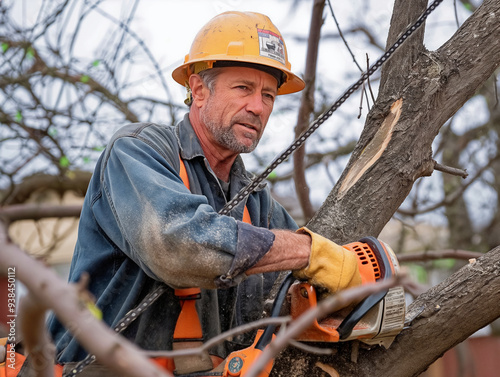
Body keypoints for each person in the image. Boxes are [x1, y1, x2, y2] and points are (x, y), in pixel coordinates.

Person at [47, 11, 362, 375]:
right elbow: (178, 246)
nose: (258, 107)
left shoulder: (255, 202)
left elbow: (296, 291)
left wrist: (352, 285)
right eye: (243, 88)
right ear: (198, 90)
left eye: (269, 95)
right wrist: (308, 250)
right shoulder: (138, 152)